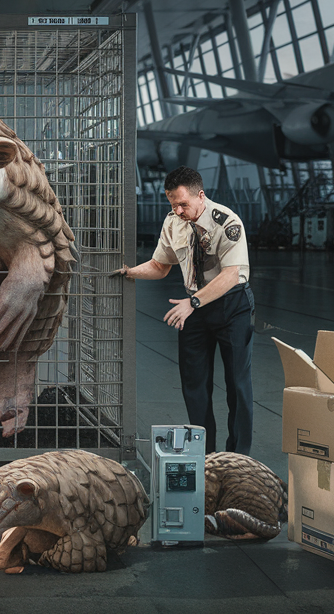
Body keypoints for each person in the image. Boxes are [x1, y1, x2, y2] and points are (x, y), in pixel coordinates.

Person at [113, 166, 254, 455]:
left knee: (237, 386)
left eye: (183, 203)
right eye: (173, 204)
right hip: (194, 308)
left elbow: (230, 275)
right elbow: (160, 267)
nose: (178, 210)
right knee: (195, 388)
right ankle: (206, 457)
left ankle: (238, 458)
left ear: (200, 196)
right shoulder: (173, 222)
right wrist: (129, 272)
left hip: (231, 305)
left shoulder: (226, 222)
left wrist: (193, 303)